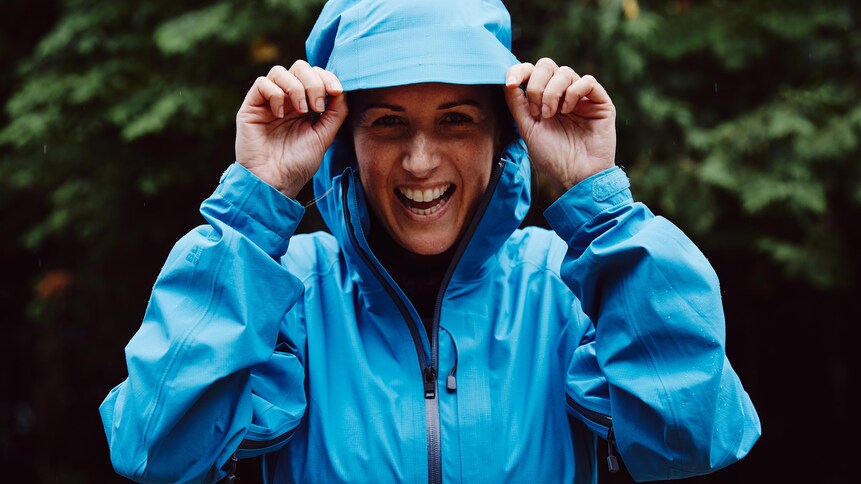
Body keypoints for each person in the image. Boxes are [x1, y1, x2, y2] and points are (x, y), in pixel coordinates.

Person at [99, 0, 761, 482]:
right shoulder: (285, 293)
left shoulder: (568, 286)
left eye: (456, 121)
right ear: (343, 145)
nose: (420, 161)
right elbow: (154, 449)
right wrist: (251, 207)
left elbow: (695, 437)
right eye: (387, 123)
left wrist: (600, 203)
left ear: (502, 139)